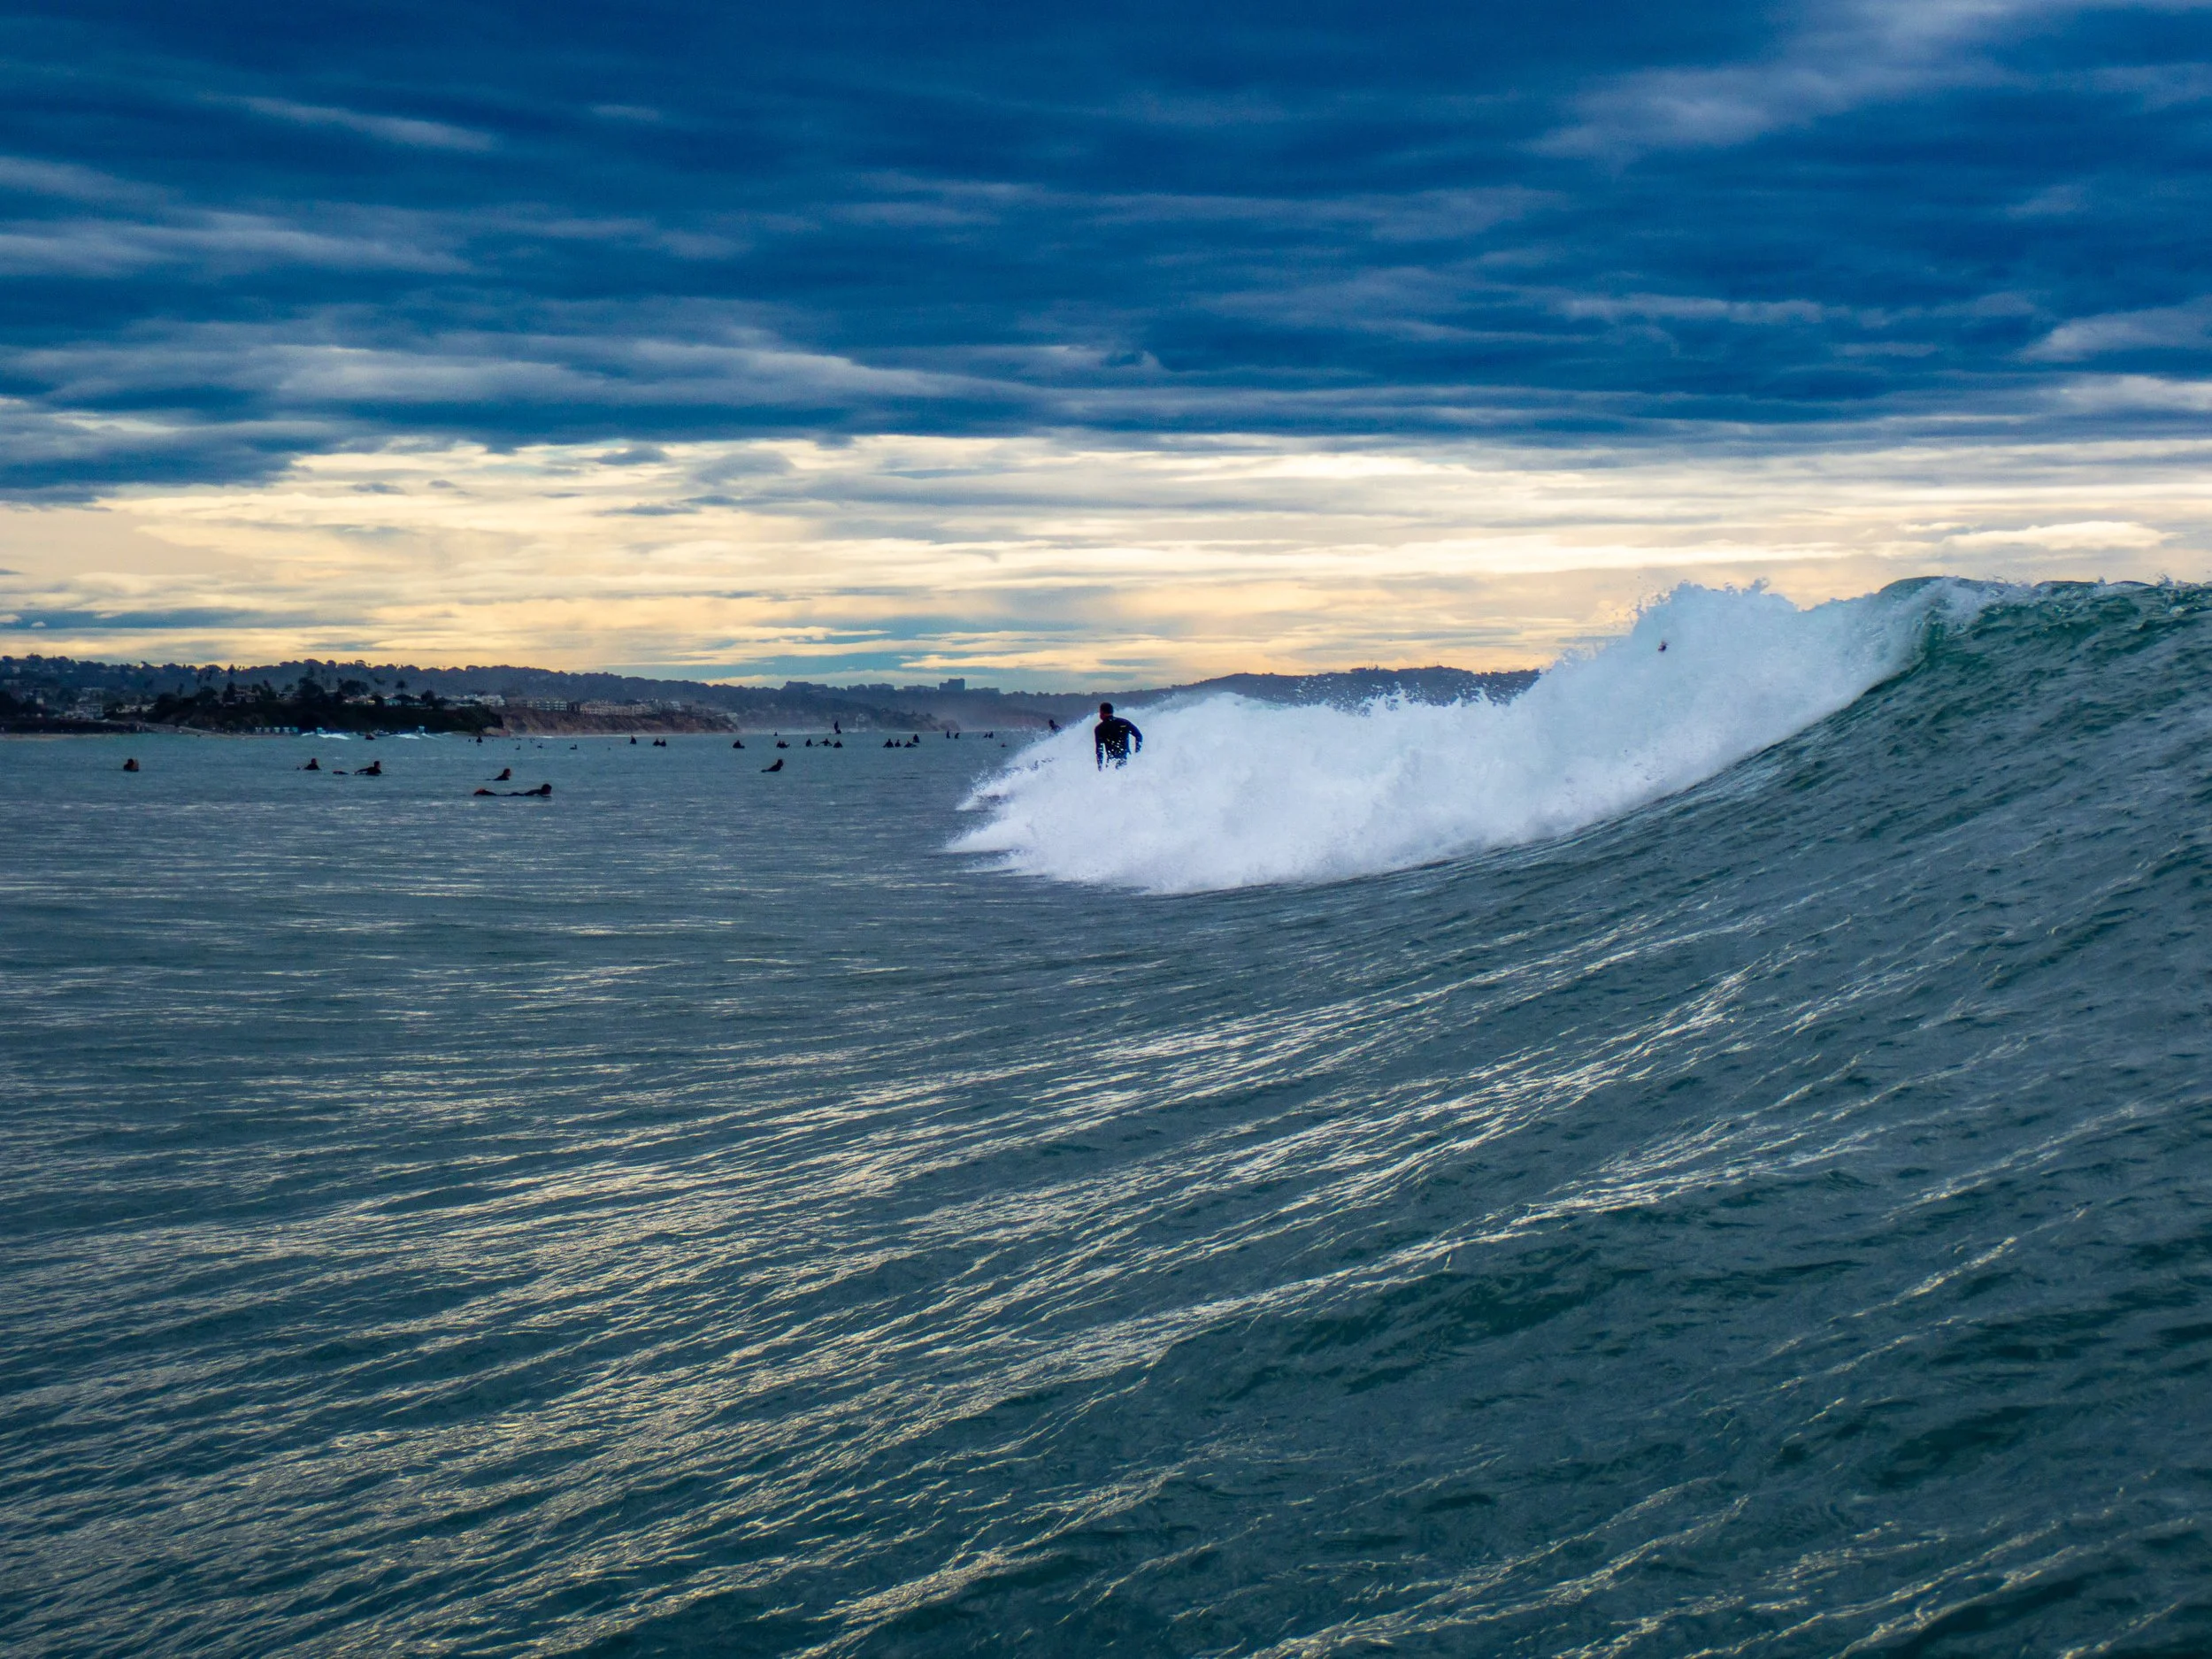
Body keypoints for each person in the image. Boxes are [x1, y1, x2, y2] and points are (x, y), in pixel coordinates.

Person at [1094, 702, 1142, 769]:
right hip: (1126, 760)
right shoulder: (1124, 723)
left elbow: (1099, 750)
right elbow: (1139, 736)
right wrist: (1137, 753)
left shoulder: (1100, 728)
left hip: (1111, 763)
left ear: (1102, 713)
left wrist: (1100, 767)